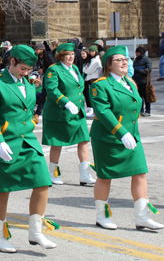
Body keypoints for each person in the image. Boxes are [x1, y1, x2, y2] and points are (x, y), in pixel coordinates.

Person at [0, 45, 59, 253]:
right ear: (12, 61)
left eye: (29, 69)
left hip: (27, 142)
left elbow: (29, 109)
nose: (26, 73)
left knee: (43, 182)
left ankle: (35, 232)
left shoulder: (29, 83)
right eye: (23, 68)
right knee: (2, 191)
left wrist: (33, 121)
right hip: (4, 143)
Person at [90, 45, 163, 231]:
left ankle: (142, 216)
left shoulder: (129, 82)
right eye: (119, 60)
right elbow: (103, 112)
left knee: (140, 174)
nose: (124, 62)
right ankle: (102, 216)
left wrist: (130, 131)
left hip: (132, 136)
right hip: (109, 137)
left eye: (125, 59)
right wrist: (121, 132)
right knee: (105, 177)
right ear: (109, 64)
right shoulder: (100, 85)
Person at [42, 43, 95, 186]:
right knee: (57, 143)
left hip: (77, 112)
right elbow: (52, 89)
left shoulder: (75, 69)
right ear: (60, 56)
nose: (71, 56)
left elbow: (79, 88)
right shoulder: (54, 70)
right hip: (60, 113)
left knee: (83, 141)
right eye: (67, 54)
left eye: (72, 54)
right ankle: (53, 174)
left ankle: (85, 174)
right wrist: (66, 102)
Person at [132, 47, 152, 116]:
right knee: (139, 97)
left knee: (146, 97)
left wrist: (138, 71)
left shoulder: (147, 60)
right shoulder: (136, 60)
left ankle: (148, 111)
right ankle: (141, 110)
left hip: (144, 81)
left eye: (138, 52)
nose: (136, 54)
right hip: (137, 81)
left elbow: (148, 70)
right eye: (136, 53)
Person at [83, 46, 102, 118]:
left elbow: (88, 70)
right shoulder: (93, 59)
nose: (91, 53)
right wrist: (86, 69)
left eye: (92, 51)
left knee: (95, 95)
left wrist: (86, 69)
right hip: (92, 79)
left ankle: (95, 112)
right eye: (90, 52)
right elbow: (85, 70)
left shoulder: (96, 60)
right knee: (94, 95)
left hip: (95, 79)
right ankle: (95, 111)